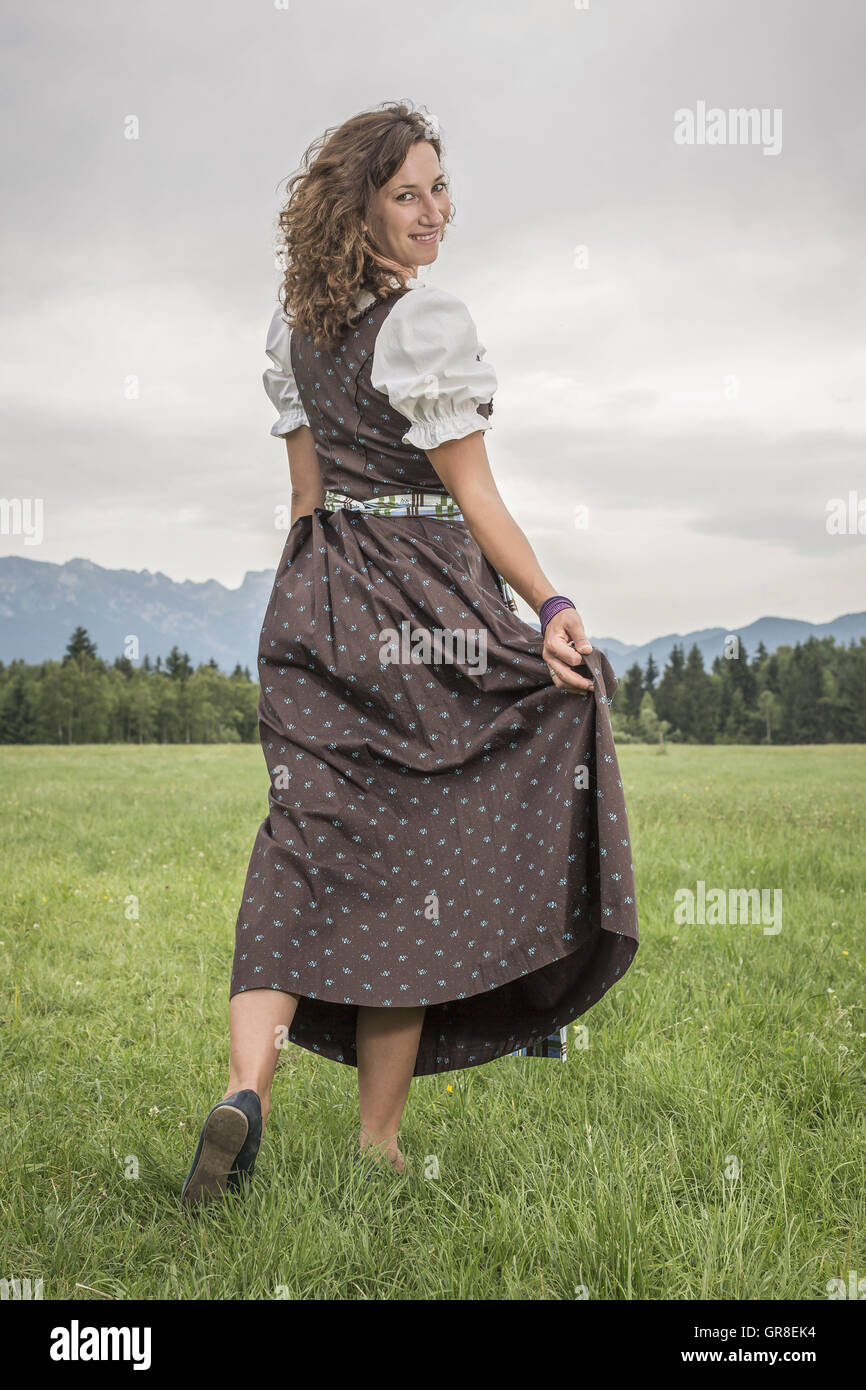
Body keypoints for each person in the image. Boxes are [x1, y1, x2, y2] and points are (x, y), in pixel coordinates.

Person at [181, 101, 639, 1204]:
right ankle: (377, 1143)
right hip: (417, 588)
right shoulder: (425, 323)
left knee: (299, 843)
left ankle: (249, 1086)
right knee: (415, 861)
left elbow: (302, 497)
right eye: (406, 194)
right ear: (360, 210)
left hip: (311, 592)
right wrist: (549, 602)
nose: (434, 212)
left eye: (439, 186)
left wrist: (310, 610)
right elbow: (471, 491)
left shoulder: (291, 328)